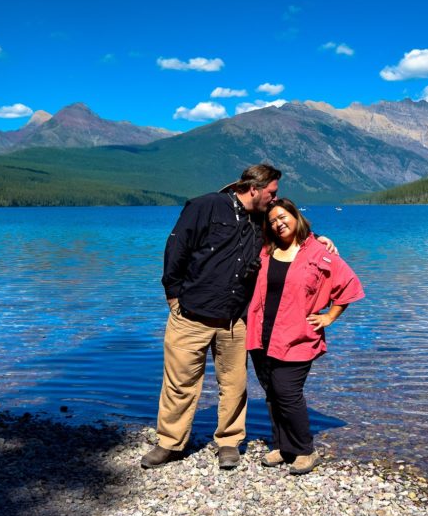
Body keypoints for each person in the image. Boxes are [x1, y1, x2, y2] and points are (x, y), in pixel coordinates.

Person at [141, 165, 335, 470]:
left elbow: (292, 233)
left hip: (235, 319)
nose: (275, 198)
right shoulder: (206, 206)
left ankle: (229, 442)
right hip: (191, 314)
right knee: (180, 382)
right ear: (254, 189)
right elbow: (176, 247)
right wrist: (173, 296)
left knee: (234, 384)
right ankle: (169, 443)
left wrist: (319, 240)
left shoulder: (262, 219)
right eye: (272, 192)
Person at [245, 198, 364, 475]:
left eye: (283, 217)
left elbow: (348, 284)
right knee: (273, 393)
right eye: (273, 220)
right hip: (263, 334)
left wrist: (329, 317)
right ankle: (283, 447)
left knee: (288, 392)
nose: (278, 223)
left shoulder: (318, 252)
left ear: (296, 217)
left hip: (297, 336)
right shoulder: (266, 251)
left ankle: (305, 450)